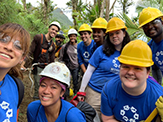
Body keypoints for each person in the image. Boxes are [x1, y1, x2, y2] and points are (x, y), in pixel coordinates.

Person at [78, 17, 131, 120]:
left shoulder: (129, 52)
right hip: (95, 92)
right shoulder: (101, 50)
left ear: (124, 33)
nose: (114, 36)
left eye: (117, 33)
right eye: (111, 34)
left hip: (115, 94)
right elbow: (89, 71)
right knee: (93, 117)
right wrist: (81, 90)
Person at [101, 40, 163, 122]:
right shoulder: (109, 89)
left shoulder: (158, 98)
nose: (130, 72)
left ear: (147, 72)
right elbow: (107, 119)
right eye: (126, 66)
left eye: (137, 68)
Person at [0, 23, 30, 121]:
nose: (9, 47)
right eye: (3, 40)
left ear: (22, 58)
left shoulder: (17, 87)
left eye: (18, 46)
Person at [25, 21, 61, 98]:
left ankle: (43, 103)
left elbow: (52, 60)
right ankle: (36, 104)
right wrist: (23, 62)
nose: (54, 32)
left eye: (56, 31)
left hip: (46, 69)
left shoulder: (53, 45)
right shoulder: (38, 38)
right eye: (53, 29)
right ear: (49, 29)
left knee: (45, 87)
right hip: (37, 66)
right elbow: (30, 51)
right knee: (38, 86)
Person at [139, 7, 163, 85]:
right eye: (145, 26)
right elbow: (155, 69)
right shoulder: (149, 48)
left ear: (162, 22)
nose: (149, 27)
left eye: (154, 22)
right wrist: (158, 88)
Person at [59, 28, 79, 94]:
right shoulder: (65, 47)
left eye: (74, 36)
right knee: (66, 81)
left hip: (76, 67)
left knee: (75, 82)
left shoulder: (79, 46)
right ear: (69, 37)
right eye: (71, 36)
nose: (72, 37)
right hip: (67, 66)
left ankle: (75, 94)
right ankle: (65, 94)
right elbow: (61, 57)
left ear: (76, 37)